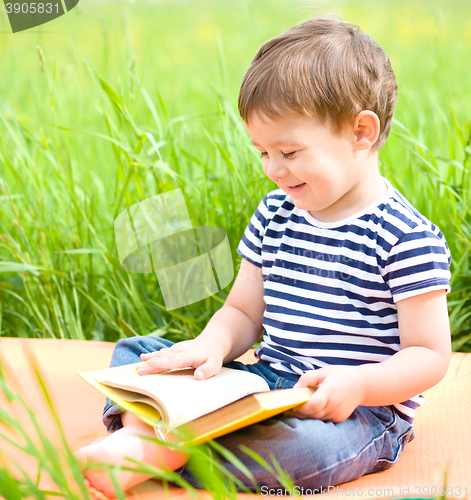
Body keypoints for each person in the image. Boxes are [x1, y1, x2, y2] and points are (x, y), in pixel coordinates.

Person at [75, 15, 452, 499]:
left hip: (352, 411)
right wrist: (213, 344)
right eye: (261, 152)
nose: (273, 169)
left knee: (308, 451)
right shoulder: (276, 213)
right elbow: (243, 312)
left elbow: (429, 356)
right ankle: (168, 435)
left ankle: (160, 443)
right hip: (263, 380)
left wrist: (360, 385)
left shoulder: (405, 236)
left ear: (361, 132)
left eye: (289, 152)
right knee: (140, 355)